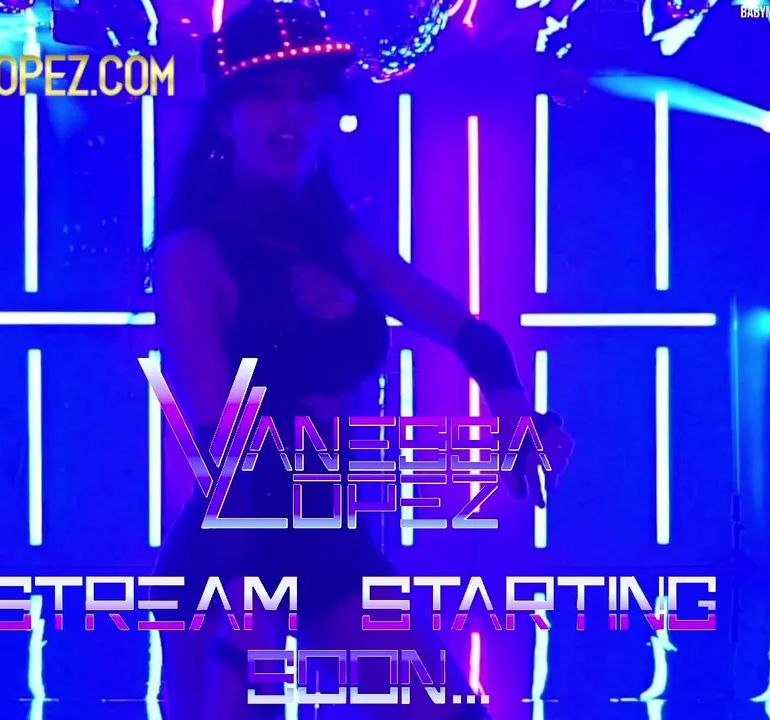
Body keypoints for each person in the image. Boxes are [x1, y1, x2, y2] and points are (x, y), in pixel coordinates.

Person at [148, 1, 574, 716]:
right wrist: (247, 614)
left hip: (329, 542)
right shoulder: (193, 254)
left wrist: (514, 416)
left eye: (309, 93)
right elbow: (224, 448)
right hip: (230, 557)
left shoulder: (340, 245)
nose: (293, 111)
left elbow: (471, 335)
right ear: (224, 118)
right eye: (267, 92)